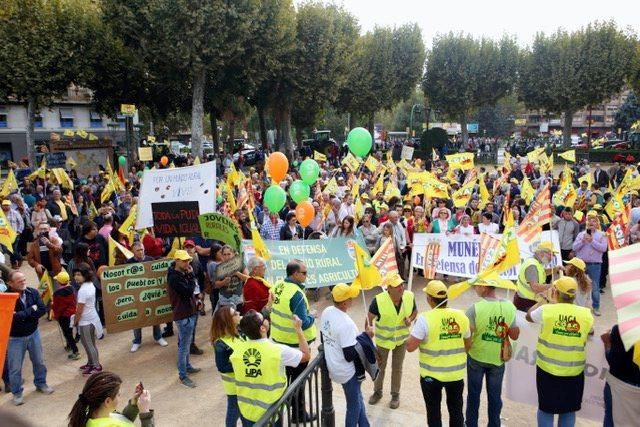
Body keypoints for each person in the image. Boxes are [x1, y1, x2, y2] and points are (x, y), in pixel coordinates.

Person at [526, 277, 594, 427]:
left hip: (547, 369)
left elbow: (529, 316)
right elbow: (590, 332)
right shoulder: (585, 314)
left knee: (545, 409)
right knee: (568, 411)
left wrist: (544, 299)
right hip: (573, 372)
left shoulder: (547, 310)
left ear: (555, 292)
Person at [406, 280, 471, 427]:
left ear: (429, 299)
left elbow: (410, 347)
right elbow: (468, 345)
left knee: (433, 412)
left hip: (431, 376)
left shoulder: (424, 319)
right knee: (456, 411)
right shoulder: (461, 316)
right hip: (456, 375)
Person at [230, 309, 310, 426]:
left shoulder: (237, 352)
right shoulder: (278, 351)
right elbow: (306, 356)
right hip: (271, 412)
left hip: (247, 410)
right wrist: (298, 329)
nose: (267, 319)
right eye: (264, 319)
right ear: (262, 328)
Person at [465, 279, 520, 427]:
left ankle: (470, 424)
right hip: (497, 359)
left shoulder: (474, 309)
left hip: (476, 356)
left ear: (484, 287)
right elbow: (515, 335)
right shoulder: (509, 307)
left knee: (473, 396)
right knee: (495, 397)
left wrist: (466, 350)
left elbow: (467, 335)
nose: (475, 288)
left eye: (477, 286)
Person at [269, 260, 317, 422]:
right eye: (304, 273)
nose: (306, 275)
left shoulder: (278, 285)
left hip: (279, 341)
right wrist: (313, 316)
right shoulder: (296, 294)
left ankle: (287, 410)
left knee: (286, 380)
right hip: (296, 345)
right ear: (295, 274)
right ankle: (298, 414)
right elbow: (302, 322)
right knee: (298, 383)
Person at [321, 283, 371, 427]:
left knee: (357, 398)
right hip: (347, 372)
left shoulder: (327, 311)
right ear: (344, 302)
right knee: (353, 406)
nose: (352, 299)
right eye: (350, 297)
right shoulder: (346, 324)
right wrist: (366, 337)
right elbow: (349, 355)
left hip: (334, 366)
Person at [367, 273, 416, 409]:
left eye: (402, 284)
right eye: (397, 286)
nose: (401, 287)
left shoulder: (409, 296)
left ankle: (395, 395)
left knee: (397, 368)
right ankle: (377, 392)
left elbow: (415, 311)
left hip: (401, 340)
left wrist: (410, 319)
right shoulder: (378, 300)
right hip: (383, 341)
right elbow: (369, 318)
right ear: (389, 288)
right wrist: (369, 330)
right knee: (380, 368)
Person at [6, 270, 54, 405]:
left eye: (24, 279)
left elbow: (42, 310)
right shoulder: (7, 298)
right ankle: (17, 393)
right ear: (10, 283)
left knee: (39, 361)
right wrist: (31, 310)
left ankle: (41, 383)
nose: (23, 282)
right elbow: (11, 318)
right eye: (19, 281)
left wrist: (22, 314)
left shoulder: (32, 292)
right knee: (15, 368)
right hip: (15, 338)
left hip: (34, 334)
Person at [67, 371, 154, 427]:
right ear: (107, 401)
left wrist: (133, 404)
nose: (120, 396)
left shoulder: (90, 412)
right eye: (118, 395)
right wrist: (145, 412)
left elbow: (122, 420)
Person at [167, 249, 201, 388]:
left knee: (185, 344)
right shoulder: (174, 277)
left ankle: (187, 366)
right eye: (185, 260)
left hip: (188, 312)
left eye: (188, 260)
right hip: (183, 315)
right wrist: (191, 275)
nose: (188, 262)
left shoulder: (181, 273)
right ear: (177, 261)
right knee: (184, 346)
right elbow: (188, 292)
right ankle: (183, 375)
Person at [127, 243, 168, 352]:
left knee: (154, 316)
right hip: (137, 296)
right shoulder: (129, 263)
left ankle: (158, 337)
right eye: (138, 250)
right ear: (133, 251)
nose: (140, 252)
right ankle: (137, 341)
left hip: (150, 294)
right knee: (137, 319)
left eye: (142, 249)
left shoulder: (151, 259)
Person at [601, 325, 640, 427]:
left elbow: (613, 361)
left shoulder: (621, 328)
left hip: (618, 384)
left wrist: (607, 343)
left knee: (611, 417)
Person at [211, 305, 243, 427]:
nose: (238, 313)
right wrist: (242, 364)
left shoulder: (236, 333)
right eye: (235, 314)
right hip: (234, 387)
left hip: (242, 383)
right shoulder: (221, 344)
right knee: (233, 414)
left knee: (242, 413)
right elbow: (222, 366)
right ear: (228, 321)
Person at [572, 211, 607, 316]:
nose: (591, 222)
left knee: (595, 287)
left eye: (594, 221)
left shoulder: (602, 235)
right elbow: (574, 248)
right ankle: (578, 306)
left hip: (595, 265)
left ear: (597, 223)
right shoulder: (581, 234)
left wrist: (592, 241)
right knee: (578, 285)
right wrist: (582, 241)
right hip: (580, 264)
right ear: (586, 222)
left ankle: (596, 307)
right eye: (589, 221)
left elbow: (603, 248)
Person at [73, 262, 103, 376]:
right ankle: (91, 363)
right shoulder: (90, 284)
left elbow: (79, 310)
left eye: (79, 274)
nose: (76, 277)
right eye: (75, 274)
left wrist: (75, 322)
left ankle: (96, 366)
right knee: (89, 343)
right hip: (92, 318)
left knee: (88, 344)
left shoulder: (83, 290)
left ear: (85, 275)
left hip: (86, 321)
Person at [514, 241, 559, 312]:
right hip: (526, 303)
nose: (552, 257)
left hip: (527, 300)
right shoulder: (532, 265)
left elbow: (541, 273)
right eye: (551, 254)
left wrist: (555, 269)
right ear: (542, 253)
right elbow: (535, 287)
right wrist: (554, 286)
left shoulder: (536, 262)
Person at [51, 271, 80, 360]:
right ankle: (70, 344)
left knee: (67, 334)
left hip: (63, 316)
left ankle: (75, 351)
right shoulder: (72, 289)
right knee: (70, 330)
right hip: (73, 313)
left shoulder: (57, 294)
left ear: (59, 282)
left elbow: (57, 307)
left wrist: (55, 315)